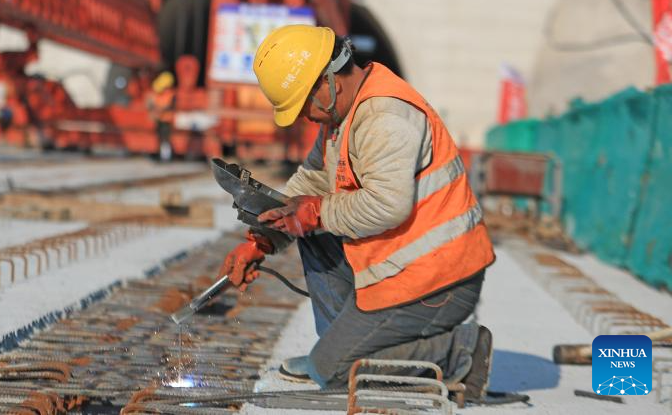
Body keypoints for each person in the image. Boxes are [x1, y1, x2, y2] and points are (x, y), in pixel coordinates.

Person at [218, 24, 496, 401]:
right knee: (311, 231)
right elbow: (313, 182)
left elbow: (387, 204)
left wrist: (315, 213)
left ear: (327, 83)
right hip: (403, 274)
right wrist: (261, 242)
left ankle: (460, 349)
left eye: (303, 106)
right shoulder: (340, 117)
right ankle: (350, 348)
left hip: (439, 282)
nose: (304, 118)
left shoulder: (386, 116)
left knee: (331, 373)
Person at [147, 71, 176, 162]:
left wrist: (157, 110)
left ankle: (165, 157)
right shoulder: (160, 94)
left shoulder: (169, 94)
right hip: (160, 118)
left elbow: (167, 106)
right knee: (161, 138)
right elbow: (151, 102)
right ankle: (162, 156)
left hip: (166, 119)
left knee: (165, 139)